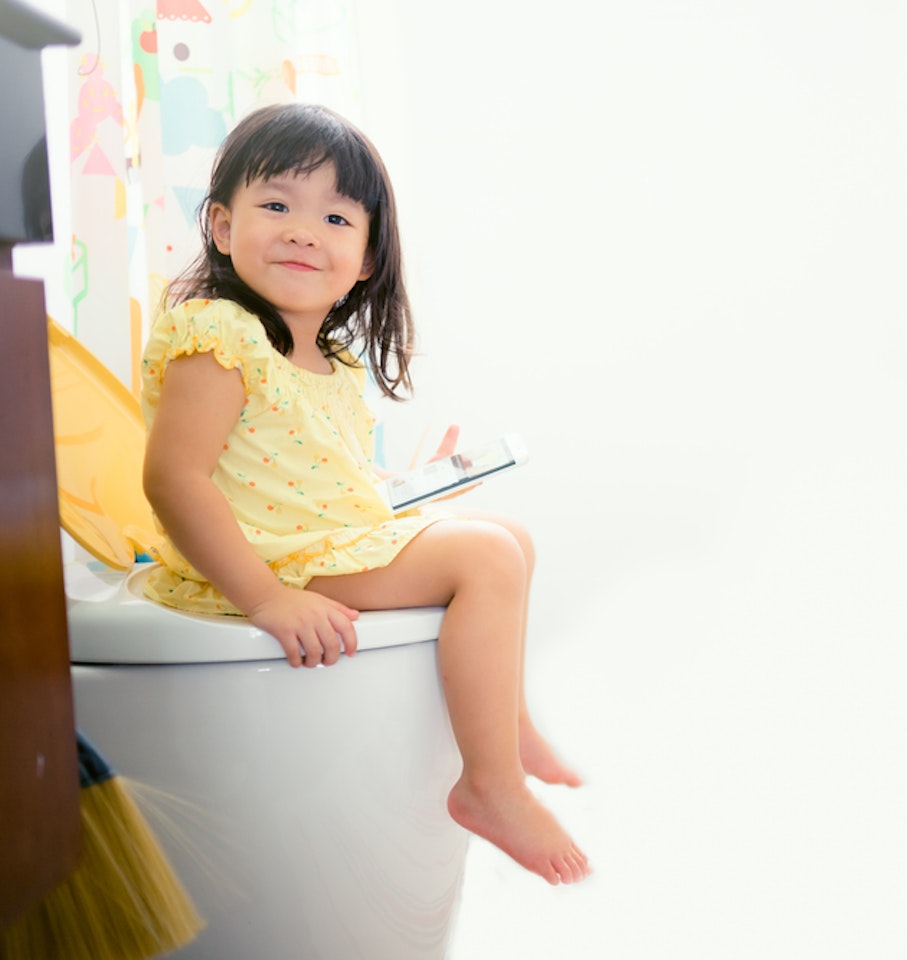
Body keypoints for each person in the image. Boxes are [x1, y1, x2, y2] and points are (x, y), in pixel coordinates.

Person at [140, 102, 590, 886]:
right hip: (264, 563)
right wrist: (266, 599)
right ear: (219, 226)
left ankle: (507, 727)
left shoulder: (334, 365)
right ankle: (489, 785)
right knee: (485, 555)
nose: (304, 231)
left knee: (508, 537)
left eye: (336, 217)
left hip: (311, 543)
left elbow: (303, 475)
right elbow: (173, 478)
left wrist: (393, 489)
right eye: (275, 205)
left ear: (369, 256)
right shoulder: (220, 334)